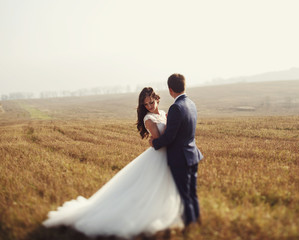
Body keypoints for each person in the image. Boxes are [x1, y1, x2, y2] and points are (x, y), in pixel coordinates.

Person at [42, 87, 184, 239]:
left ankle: (162, 213)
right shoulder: (148, 118)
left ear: (157, 99)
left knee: (164, 187)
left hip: (167, 155)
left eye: (151, 102)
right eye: (146, 104)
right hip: (157, 157)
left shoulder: (162, 113)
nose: (149, 106)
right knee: (147, 188)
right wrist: (170, 124)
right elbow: (157, 137)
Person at [150, 73, 203, 227]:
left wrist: (155, 143)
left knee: (184, 196)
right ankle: (198, 223)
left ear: (170, 89)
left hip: (180, 158)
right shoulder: (191, 104)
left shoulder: (176, 107)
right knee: (192, 194)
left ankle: (191, 227)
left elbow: (170, 137)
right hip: (193, 154)